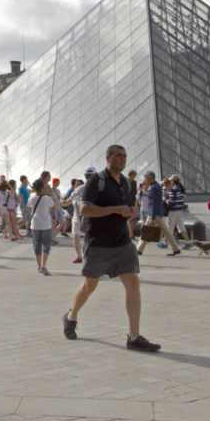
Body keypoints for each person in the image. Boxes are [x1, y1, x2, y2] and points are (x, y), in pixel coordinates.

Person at [64, 145, 161, 352]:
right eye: (118, 155)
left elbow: (128, 207)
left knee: (133, 282)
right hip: (99, 243)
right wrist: (114, 209)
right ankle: (71, 316)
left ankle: (134, 336)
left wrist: (132, 212)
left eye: (125, 156)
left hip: (122, 242)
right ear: (108, 158)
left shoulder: (127, 183)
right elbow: (85, 209)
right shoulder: (96, 180)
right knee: (89, 286)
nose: (122, 159)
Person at [136, 172, 182, 256]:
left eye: (146, 178)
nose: (145, 180)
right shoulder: (157, 186)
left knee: (147, 230)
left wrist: (152, 217)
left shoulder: (153, 188)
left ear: (150, 179)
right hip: (156, 213)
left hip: (154, 214)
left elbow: (154, 202)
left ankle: (139, 249)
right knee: (163, 230)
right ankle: (176, 248)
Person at [28, 178, 55, 275]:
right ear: (42, 188)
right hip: (45, 225)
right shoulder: (47, 198)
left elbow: (30, 209)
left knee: (37, 245)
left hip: (35, 224)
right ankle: (44, 266)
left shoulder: (31, 199)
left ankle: (39, 266)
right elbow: (53, 208)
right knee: (46, 245)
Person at [70, 168, 97, 263]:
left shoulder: (82, 188)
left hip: (83, 216)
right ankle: (83, 256)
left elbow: (72, 196)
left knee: (80, 237)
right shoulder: (97, 187)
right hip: (87, 216)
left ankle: (82, 256)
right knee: (84, 237)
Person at [165, 175, 192, 249]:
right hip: (180, 210)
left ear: (173, 181)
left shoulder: (172, 190)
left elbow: (171, 202)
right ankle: (188, 242)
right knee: (181, 227)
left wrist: (165, 200)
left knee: (169, 227)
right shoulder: (181, 189)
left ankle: (165, 243)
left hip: (173, 211)